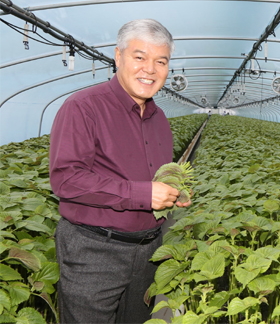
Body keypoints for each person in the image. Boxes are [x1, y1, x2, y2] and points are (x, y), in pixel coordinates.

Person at [49, 19, 190, 324]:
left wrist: (169, 195)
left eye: (160, 61)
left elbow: (150, 180)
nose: (149, 69)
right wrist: (143, 194)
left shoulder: (160, 119)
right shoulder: (82, 108)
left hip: (149, 250)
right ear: (118, 56)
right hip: (94, 251)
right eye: (140, 57)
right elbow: (66, 180)